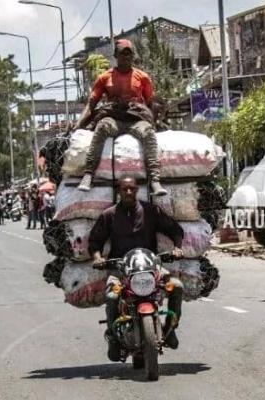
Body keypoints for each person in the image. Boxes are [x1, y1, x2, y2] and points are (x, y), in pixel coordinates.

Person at [88, 176, 184, 361]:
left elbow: (175, 229)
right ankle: (113, 337)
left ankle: (171, 329)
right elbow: (95, 241)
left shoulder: (151, 211)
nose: (129, 192)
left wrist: (177, 248)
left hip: (150, 268)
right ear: (119, 191)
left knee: (177, 286)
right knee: (111, 296)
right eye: (125, 189)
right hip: (120, 270)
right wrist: (98, 258)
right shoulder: (109, 215)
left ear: (137, 190)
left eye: (132, 188)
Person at [73, 39, 167, 196]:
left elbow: (150, 103)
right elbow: (91, 104)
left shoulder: (142, 77)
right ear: (116, 55)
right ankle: (89, 174)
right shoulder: (105, 78)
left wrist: (154, 122)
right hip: (114, 118)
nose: (126, 58)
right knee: (102, 126)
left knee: (148, 133)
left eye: (129, 54)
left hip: (136, 119)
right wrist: (78, 125)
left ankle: (155, 180)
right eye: (123, 54)